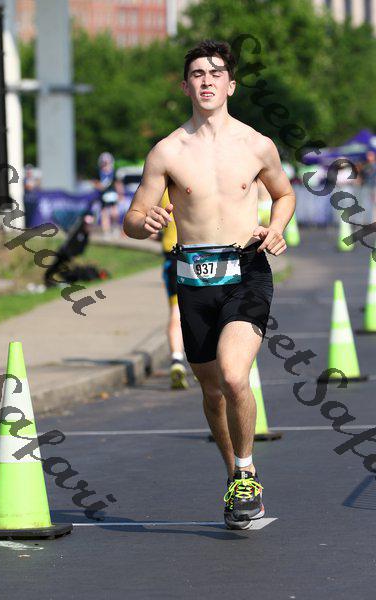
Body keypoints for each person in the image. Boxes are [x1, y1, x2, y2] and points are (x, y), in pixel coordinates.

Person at [123, 40, 295, 530]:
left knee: (234, 374)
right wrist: (144, 222)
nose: (206, 80)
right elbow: (132, 218)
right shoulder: (167, 151)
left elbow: (284, 194)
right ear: (185, 86)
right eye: (197, 73)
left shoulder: (257, 144)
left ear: (230, 85)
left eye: (216, 73)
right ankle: (233, 472)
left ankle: (247, 474)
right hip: (193, 276)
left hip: (246, 270)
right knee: (212, 389)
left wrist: (276, 227)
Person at [157, 188, 189, 390]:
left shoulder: (162, 189)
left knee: (175, 311)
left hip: (172, 253)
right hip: (197, 251)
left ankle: (177, 359)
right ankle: (209, 361)